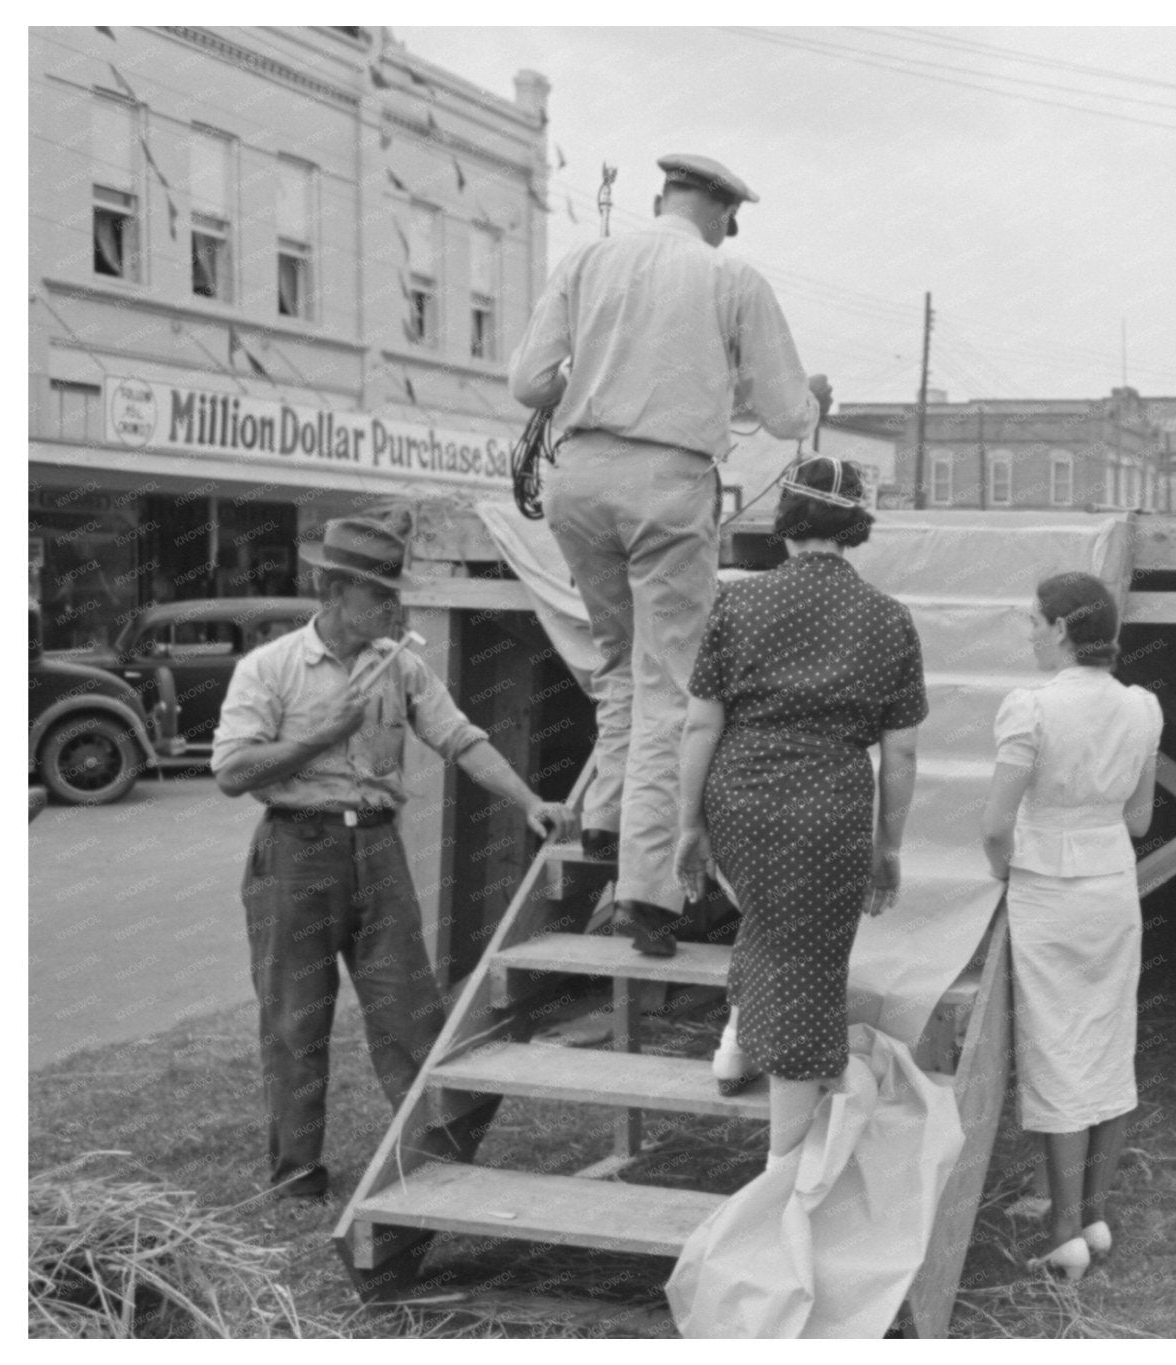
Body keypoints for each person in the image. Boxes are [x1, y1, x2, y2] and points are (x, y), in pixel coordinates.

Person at [509, 152, 833, 956]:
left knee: (617, 659)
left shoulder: (587, 257)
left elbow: (527, 382)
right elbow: (788, 412)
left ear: (661, 198)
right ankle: (647, 893)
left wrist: (596, 386)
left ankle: (605, 820)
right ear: (722, 213)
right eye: (733, 218)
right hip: (666, 479)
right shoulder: (730, 278)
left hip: (578, 477)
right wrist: (816, 398)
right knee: (674, 684)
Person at [211, 518, 579, 1199]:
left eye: (394, 593)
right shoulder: (270, 667)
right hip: (296, 849)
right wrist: (323, 735)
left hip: (377, 846)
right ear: (334, 588)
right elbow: (232, 771)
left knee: (408, 1007)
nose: (394, 608)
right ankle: (296, 1172)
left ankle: (430, 1158)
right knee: (295, 1014)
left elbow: (460, 738)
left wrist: (530, 800)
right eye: (380, 594)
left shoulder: (402, 664)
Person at [673, 457, 925, 1164]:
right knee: (808, 963)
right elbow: (900, 754)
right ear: (855, 526)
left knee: (775, 929)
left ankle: (738, 1046)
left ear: (787, 522)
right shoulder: (889, 618)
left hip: (741, 799)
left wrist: (689, 823)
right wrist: (889, 844)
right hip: (830, 807)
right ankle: (786, 1173)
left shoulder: (736, 601)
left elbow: (699, 725)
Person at [981, 572, 1162, 1283]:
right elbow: (1140, 819)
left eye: (1033, 620)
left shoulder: (1030, 707)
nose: (1028, 631)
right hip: (1111, 885)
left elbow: (996, 823)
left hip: (1047, 889)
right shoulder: (1143, 707)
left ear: (1059, 629)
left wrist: (1006, 867)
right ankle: (1092, 1211)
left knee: (1056, 1045)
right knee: (1109, 1039)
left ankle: (1063, 1231)